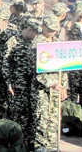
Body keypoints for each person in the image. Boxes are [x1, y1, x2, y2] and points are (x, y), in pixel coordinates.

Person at [32, 15, 68, 152]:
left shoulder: (58, 43)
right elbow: (36, 72)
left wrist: (64, 86)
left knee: (54, 119)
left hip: (57, 89)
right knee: (42, 120)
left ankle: (53, 147)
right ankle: (40, 147)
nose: (52, 33)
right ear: (43, 27)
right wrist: (52, 83)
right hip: (42, 90)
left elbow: (63, 68)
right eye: (50, 29)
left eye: (54, 30)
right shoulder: (37, 44)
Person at [2, 18, 39, 148]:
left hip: (33, 85)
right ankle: (16, 145)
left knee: (33, 115)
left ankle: (29, 144)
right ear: (29, 30)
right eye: (35, 32)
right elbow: (6, 64)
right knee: (18, 116)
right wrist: (9, 83)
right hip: (17, 85)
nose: (37, 35)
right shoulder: (13, 41)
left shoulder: (35, 42)